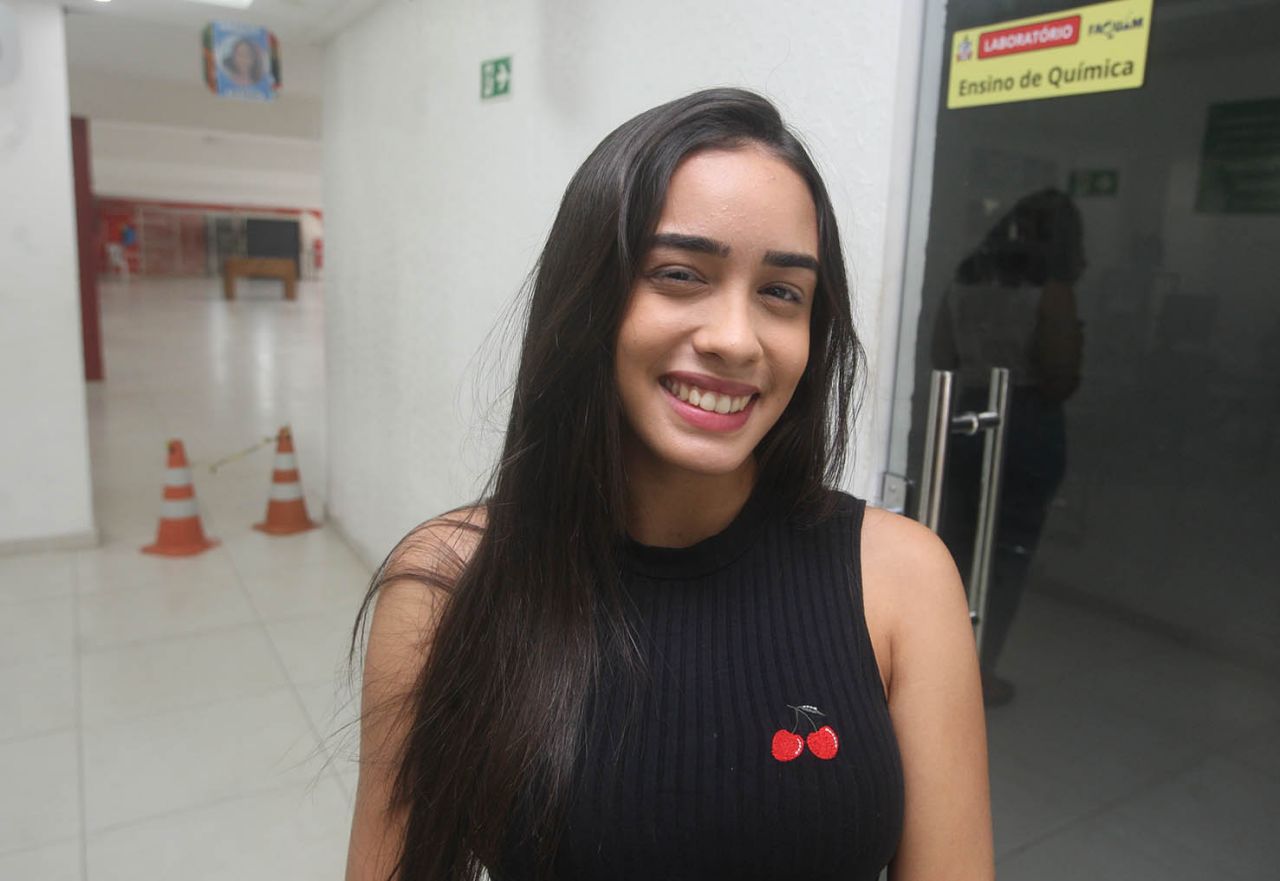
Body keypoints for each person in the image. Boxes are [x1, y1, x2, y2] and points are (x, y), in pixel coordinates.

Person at [345, 88, 991, 881]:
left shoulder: (903, 579)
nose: (736, 340)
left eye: (781, 292)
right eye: (680, 273)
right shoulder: (447, 584)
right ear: (589, 298)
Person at [931, 187, 1085, 706]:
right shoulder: (1053, 291)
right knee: (1010, 550)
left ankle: (933, 661)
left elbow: (942, 354)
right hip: (1028, 422)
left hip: (966, 414)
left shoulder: (966, 277)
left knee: (955, 542)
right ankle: (980, 672)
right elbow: (1060, 377)